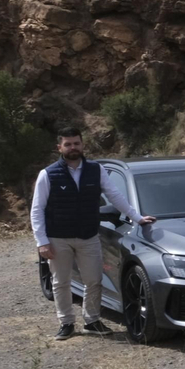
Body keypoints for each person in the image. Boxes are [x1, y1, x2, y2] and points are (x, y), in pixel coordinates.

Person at [30, 127, 154, 340]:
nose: (73, 147)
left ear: (82, 144)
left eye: (76, 143)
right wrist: (42, 241)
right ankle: (66, 323)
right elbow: (37, 209)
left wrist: (137, 217)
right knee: (61, 282)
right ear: (59, 147)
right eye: (68, 144)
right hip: (58, 238)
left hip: (89, 236)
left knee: (94, 280)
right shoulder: (48, 174)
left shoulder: (96, 170)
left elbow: (115, 195)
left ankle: (92, 320)